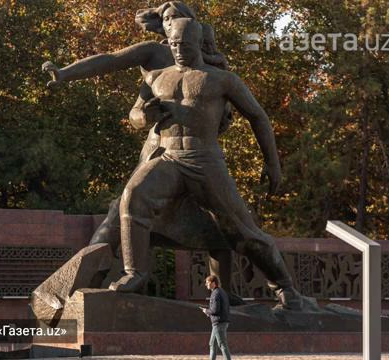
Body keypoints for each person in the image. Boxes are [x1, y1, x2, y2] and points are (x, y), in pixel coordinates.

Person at [43, 1, 242, 302]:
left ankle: (225, 295)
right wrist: (65, 73)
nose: (170, 24)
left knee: (221, 226)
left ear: (194, 28)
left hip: (199, 158)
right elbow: (112, 65)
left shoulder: (211, 64)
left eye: (176, 18)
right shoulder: (155, 54)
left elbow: (228, 113)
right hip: (158, 152)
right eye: (165, 19)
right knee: (119, 216)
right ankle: (74, 292)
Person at [108, 17, 303, 310]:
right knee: (133, 197)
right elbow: (135, 114)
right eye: (174, 44)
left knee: (241, 230)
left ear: (199, 43)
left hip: (205, 159)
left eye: (185, 44)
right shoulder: (156, 77)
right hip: (169, 156)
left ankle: (285, 288)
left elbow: (258, 117)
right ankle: (135, 273)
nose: (179, 50)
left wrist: (272, 163)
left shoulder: (222, 79)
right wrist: (143, 117)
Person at [203, 275, 232, 360]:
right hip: (222, 321)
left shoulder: (215, 293)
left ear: (213, 283)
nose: (206, 284)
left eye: (208, 282)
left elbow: (215, 310)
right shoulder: (222, 292)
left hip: (219, 323)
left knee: (222, 344)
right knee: (212, 344)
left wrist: (207, 311)